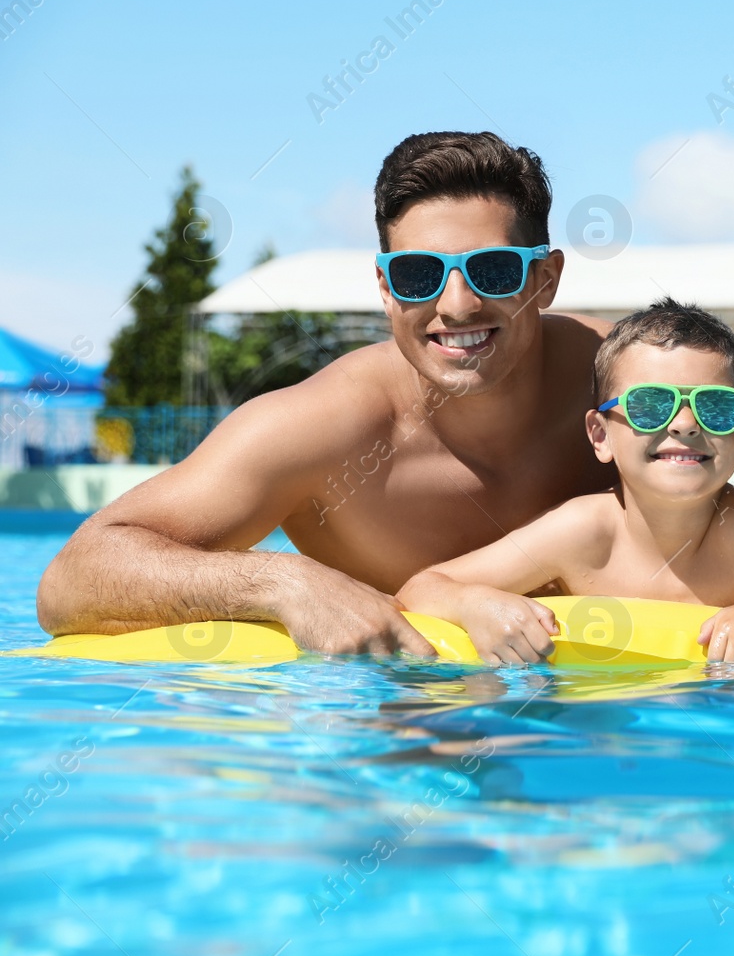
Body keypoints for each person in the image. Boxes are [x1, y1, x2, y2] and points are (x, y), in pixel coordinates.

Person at [37, 132, 618, 656]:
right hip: (395, 733)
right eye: (420, 274)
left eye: (494, 270)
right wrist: (287, 584)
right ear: (388, 290)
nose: (457, 304)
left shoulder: (627, 380)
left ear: (545, 280)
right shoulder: (322, 428)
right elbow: (70, 582)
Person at [397, 298, 734, 663]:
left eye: (715, 407)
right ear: (600, 435)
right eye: (651, 405)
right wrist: (476, 604)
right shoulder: (584, 532)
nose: (685, 423)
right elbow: (420, 590)